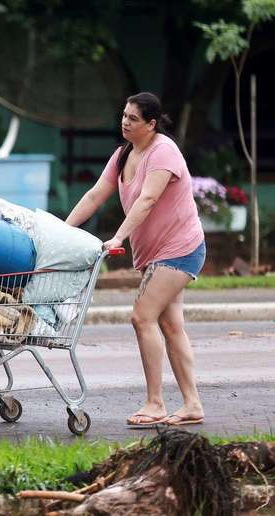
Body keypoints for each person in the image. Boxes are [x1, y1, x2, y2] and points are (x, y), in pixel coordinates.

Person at [65, 92, 206, 427]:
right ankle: (192, 404)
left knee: (142, 317)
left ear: (151, 124)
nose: (125, 122)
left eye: (133, 118)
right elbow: (95, 195)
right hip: (154, 253)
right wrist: (61, 230)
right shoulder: (122, 155)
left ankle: (155, 403)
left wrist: (118, 237)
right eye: (124, 116)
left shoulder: (164, 151)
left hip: (180, 249)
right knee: (171, 326)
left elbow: (147, 200)